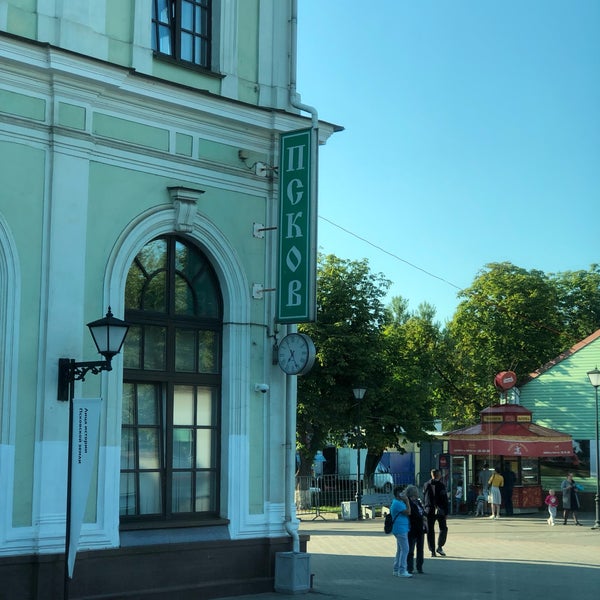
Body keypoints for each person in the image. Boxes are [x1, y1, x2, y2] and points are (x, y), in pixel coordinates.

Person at [423, 469, 449, 557]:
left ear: (432, 475)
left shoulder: (426, 484)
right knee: (443, 528)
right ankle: (440, 546)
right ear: (439, 475)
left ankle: (432, 550)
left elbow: (425, 498)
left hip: (429, 510)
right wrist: (446, 512)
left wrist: (425, 509)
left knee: (430, 530)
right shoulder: (441, 485)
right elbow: (444, 499)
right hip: (440, 510)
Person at [390, 485, 413, 578]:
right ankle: (402, 570)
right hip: (400, 529)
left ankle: (396, 569)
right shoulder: (398, 503)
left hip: (401, 528)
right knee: (405, 549)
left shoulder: (398, 502)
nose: (404, 494)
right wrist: (407, 501)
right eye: (402, 493)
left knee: (400, 549)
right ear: (398, 494)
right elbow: (408, 512)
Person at [405, 484, 426, 574]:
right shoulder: (408, 503)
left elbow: (423, 512)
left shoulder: (418, 502)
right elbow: (413, 515)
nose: (415, 496)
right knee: (410, 549)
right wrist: (422, 518)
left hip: (420, 528)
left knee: (420, 548)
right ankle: (410, 567)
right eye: (414, 494)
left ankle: (419, 566)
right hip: (412, 528)